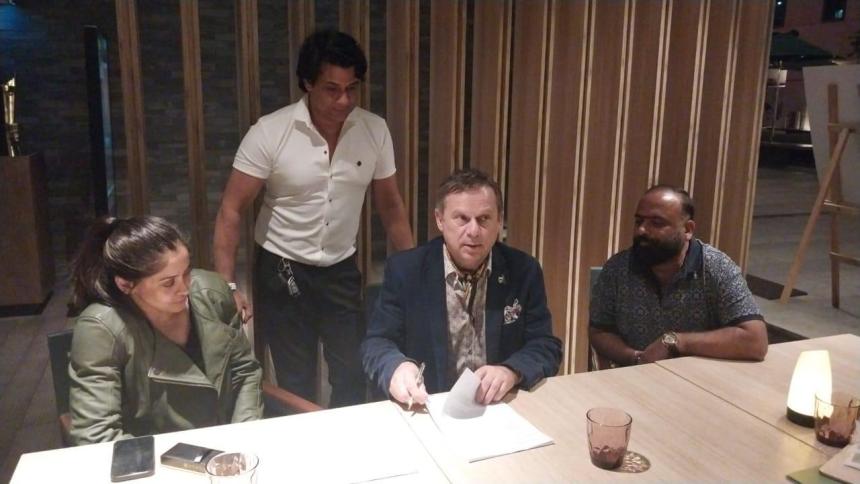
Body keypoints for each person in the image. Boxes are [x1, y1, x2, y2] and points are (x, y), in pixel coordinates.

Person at [213, 30, 413, 408]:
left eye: (352, 89)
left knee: (352, 371)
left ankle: (347, 442)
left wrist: (412, 272)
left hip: (340, 266)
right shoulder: (271, 132)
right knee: (296, 379)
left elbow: (390, 206)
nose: (344, 100)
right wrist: (227, 286)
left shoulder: (374, 130)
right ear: (307, 83)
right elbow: (231, 209)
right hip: (282, 268)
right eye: (331, 89)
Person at [362, 169, 562, 407]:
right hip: (428, 405)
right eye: (462, 219)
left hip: (498, 407)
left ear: (499, 221)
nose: (474, 231)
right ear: (440, 220)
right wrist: (397, 367)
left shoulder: (523, 270)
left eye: (484, 219)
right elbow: (377, 343)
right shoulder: (406, 271)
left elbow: (545, 346)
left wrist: (511, 371)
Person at [68, 216, 262, 445]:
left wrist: (244, 436)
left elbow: (245, 372)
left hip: (229, 447)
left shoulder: (211, 292)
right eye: (168, 282)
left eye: (187, 272)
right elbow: (97, 435)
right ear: (126, 284)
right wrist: (188, 459)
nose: (185, 289)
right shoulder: (101, 329)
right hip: (153, 455)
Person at [589, 185, 768, 367]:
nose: (641, 230)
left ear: (687, 230)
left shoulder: (717, 267)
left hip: (701, 377)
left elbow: (755, 341)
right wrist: (637, 358)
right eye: (639, 221)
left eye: (656, 223)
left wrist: (676, 342)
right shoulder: (618, 268)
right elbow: (599, 331)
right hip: (635, 375)